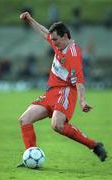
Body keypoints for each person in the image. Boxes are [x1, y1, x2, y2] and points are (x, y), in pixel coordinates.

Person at [17, 12, 107, 167]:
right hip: (51, 91)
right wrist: (30, 19)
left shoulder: (73, 54)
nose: (53, 43)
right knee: (24, 120)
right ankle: (31, 156)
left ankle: (94, 145)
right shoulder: (59, 42)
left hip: (66, 91)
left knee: (57, 125)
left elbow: (79, 80)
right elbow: (44, 32)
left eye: (56, 40)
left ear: (65, 36)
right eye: (53, 40)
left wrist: (82, 100)